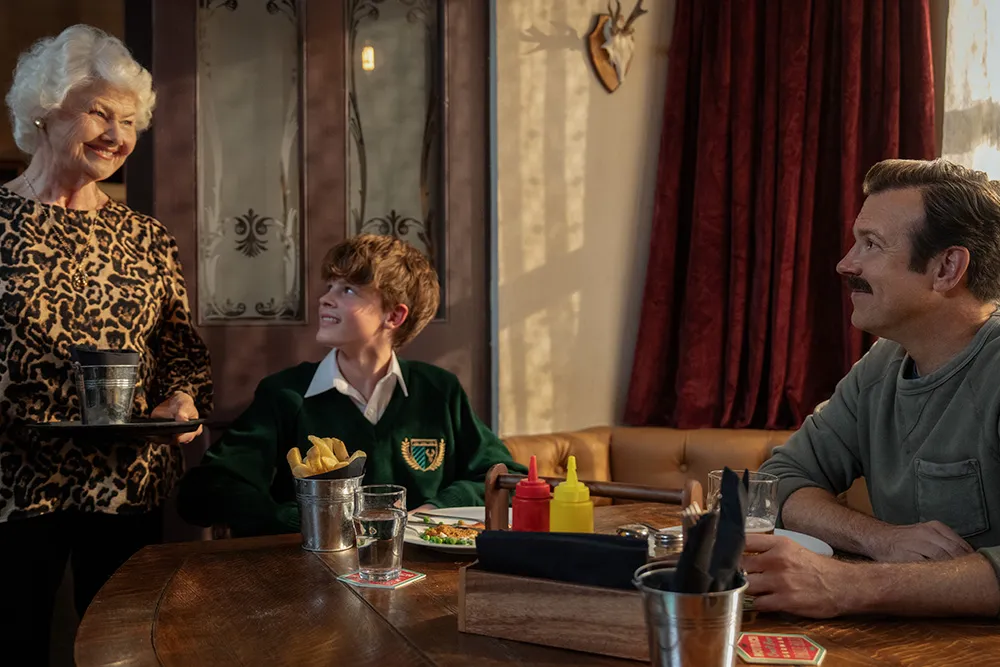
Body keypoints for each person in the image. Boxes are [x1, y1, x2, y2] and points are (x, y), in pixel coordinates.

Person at [0, 25, 212, 661]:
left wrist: (181, 399)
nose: (117, 135)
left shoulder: (146, 237)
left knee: (122, 652)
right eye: (99, 113)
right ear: (43, 111)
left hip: (125, 484)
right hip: (11, 484)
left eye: (128, 121)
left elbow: (180, 351)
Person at [752, 159, 1000, 619]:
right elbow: (780, 480)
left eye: (871, 244)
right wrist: (879, 538)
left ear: (947, 268)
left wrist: (849, 585)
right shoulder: (881, 364)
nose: (846, 263)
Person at [177, 234, 523, 536]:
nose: (325, 299)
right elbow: (209, 489)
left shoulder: (439, 391)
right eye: (329, 286)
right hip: (313, 574)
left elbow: (505, 477)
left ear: (394, 316)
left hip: (423, 574)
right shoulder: (285, 393)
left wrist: (436, 509)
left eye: (348, 290)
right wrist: (306, 523)